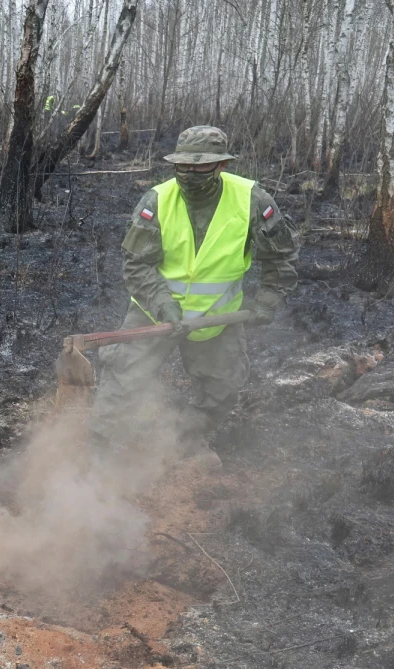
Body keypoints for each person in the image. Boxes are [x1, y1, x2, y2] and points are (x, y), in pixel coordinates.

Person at [89, 126, 299, 467]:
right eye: (183, 166)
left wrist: (268, 300)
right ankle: (97, 452)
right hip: (155, 311)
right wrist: (163, 304)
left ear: (222, 165)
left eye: (201, 167)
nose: (190, 174)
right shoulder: (156, 200)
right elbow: (136, 264)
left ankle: (183, 441)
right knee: (123, 377)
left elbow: (282, 255)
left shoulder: (252, 199)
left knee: (222, 387)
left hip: (217, 317)